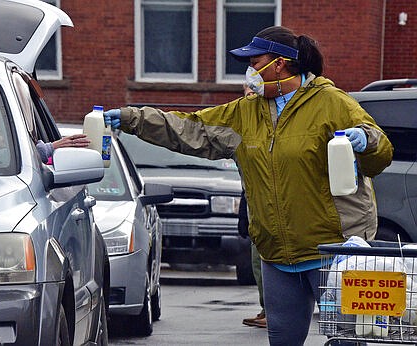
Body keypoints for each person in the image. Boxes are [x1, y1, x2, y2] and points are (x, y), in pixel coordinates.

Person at [103, 25, 393, 345]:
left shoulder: (332, 103)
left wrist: (366, 140)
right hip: (277, 256)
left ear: (279, 64)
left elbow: (380, 155)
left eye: (255, 62)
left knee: (346, 341)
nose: (249, 70)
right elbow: (190, 129)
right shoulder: (245, 112)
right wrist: (134, 119)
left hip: (334, 251)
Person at [238, 189, 267, 329]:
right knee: (258, 266)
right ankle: (267, 310)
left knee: (265, 267)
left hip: (267, 221)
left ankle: (272, 313)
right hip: (256, 221)